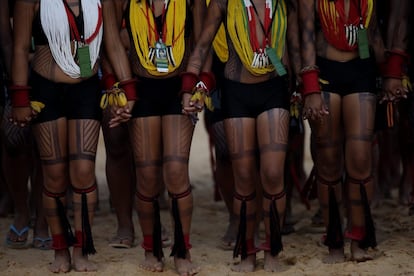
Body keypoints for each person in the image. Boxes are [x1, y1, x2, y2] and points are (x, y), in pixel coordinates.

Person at [11, 0, 136, 272]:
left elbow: (112, 43)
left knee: (83, 172)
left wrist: (128, 90)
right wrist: (20, 97)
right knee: (54, 176)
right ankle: (60, 250)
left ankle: (81, 249)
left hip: (85, 90)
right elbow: (20, 47)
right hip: (46, 91)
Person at [183, 0, 300, 272]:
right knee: (245, 177)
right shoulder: (224, 3)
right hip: (236, 93)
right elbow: (202, 45)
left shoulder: (284, 3)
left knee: (272, 173)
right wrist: (190, 86)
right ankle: (247, 252)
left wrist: (306, 86)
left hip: (275, 90)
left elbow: (296, 45)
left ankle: (272, 252)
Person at [109, 0, 206, 275]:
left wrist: (195, 85)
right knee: (148, 178)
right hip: (141, 88)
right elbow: (113, 40)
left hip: (180, 87)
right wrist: (126, 89)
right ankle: (151, 248)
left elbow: (201, 42)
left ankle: (182, 250)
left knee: (176, 173)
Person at [298, 0, 385, 263]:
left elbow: (373, 32)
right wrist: (310, 87)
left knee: (360, 159)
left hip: (362, 70)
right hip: (324, 71)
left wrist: (392, 73)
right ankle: (334, 241)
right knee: (328, 162)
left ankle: (359, 239)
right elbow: (306, 32)